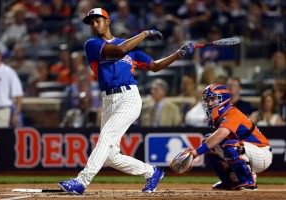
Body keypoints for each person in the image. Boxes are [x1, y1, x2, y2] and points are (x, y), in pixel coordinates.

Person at [58, 7, 194, 195]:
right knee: (112, 156)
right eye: (91, 23)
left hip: (128, 97)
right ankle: (152, 172)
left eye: (98, 20)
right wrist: (145, 33)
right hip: (108, 100)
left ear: (108, 21)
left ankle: (81, 181)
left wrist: (178, 53)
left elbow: (154, 66)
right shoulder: (92, 45)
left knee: (105, 136)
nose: (95, 25)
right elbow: (119, 51)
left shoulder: (131, 48)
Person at [180, 84, 272, 190]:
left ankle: (249, 181)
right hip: (247, 151)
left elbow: (220, 135)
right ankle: (229, 181)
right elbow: (215, 139)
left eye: (213, 99)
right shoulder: (219, 116)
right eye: (207, 100)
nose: (209, 103)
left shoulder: (231, 112)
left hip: (262, 153)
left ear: (223, 99)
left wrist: (196, 152)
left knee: (230, 146)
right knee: (208, 141)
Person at [0, 47, 24, 127]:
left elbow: (18, 94)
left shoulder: (8, 72)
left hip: (2, 111)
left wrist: (17, 114)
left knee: (0, 136)